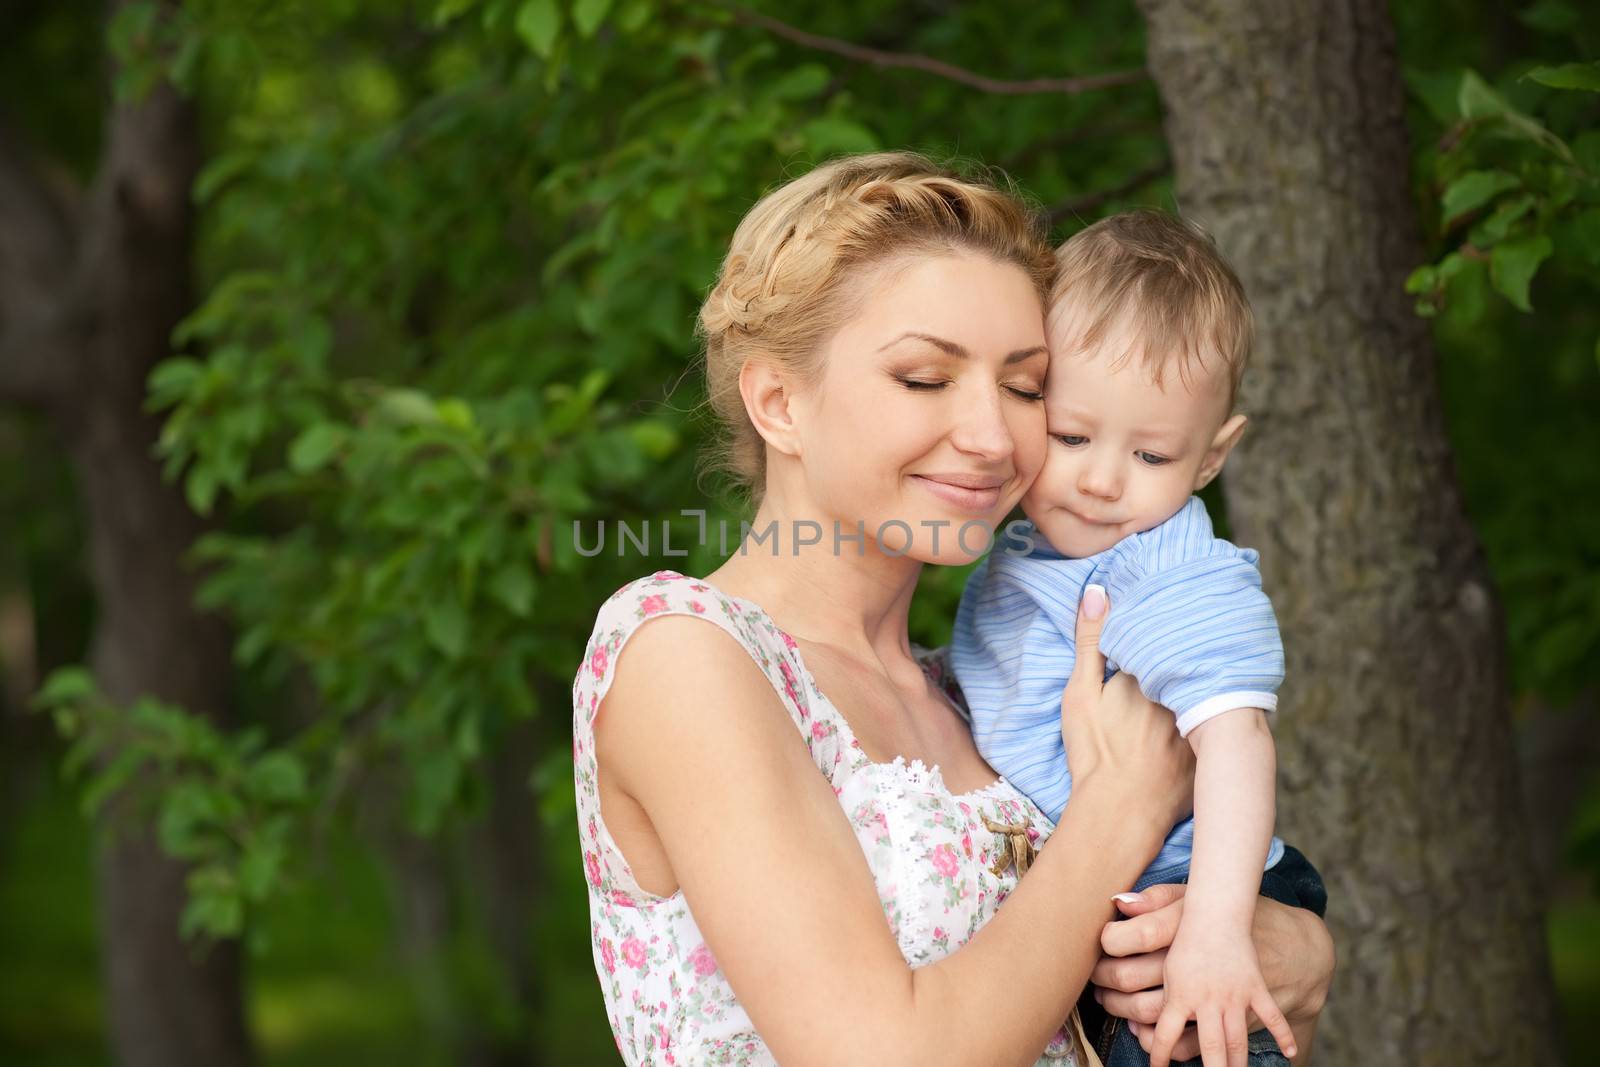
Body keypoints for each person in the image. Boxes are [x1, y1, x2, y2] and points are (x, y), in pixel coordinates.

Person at [572, 152, 1334, 1066]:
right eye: (926, 379)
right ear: (779, 401)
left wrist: (1284, 943)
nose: (989, 435)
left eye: (1023, 388)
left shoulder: (978, 690)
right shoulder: (684, 654)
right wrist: (1124, 802)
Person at [951, 210, 1296, 1066]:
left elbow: (1239, 738)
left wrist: (1219, 931)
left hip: (1185, 905)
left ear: (1211, 457)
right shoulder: (1028, 542)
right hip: (1106, 900)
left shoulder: (1167, 566)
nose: (1102, 481)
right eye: (1071, 436)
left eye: (1151, 456)